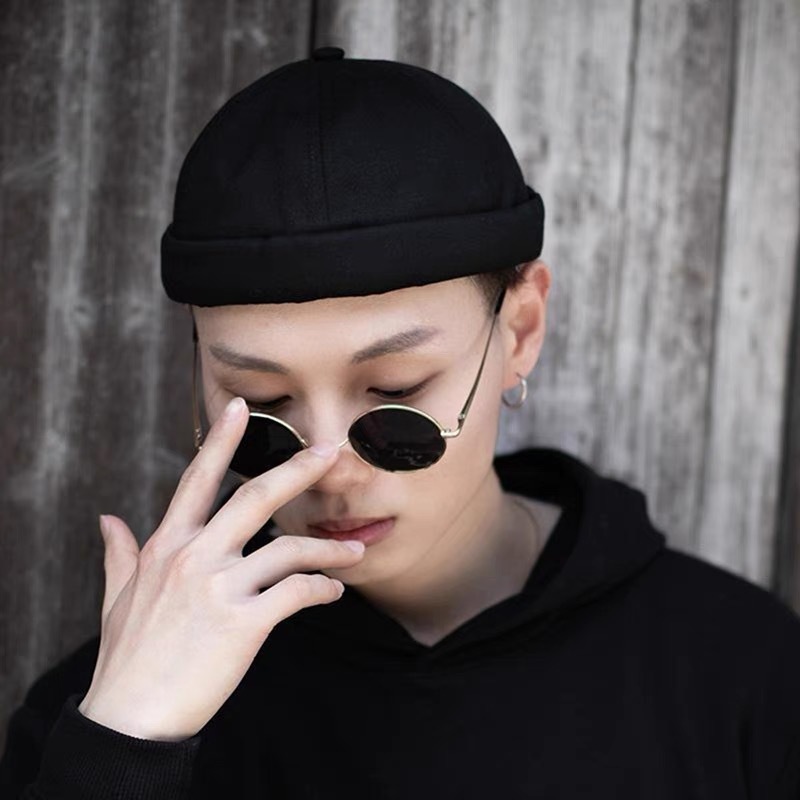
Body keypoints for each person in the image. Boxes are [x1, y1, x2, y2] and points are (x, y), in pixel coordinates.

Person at [2, 46, 799, 799]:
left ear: (520, 331)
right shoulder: (109, 708)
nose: (326, 466)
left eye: (394, 392)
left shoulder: (744, 679)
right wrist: (121, 750)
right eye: (264, 403)